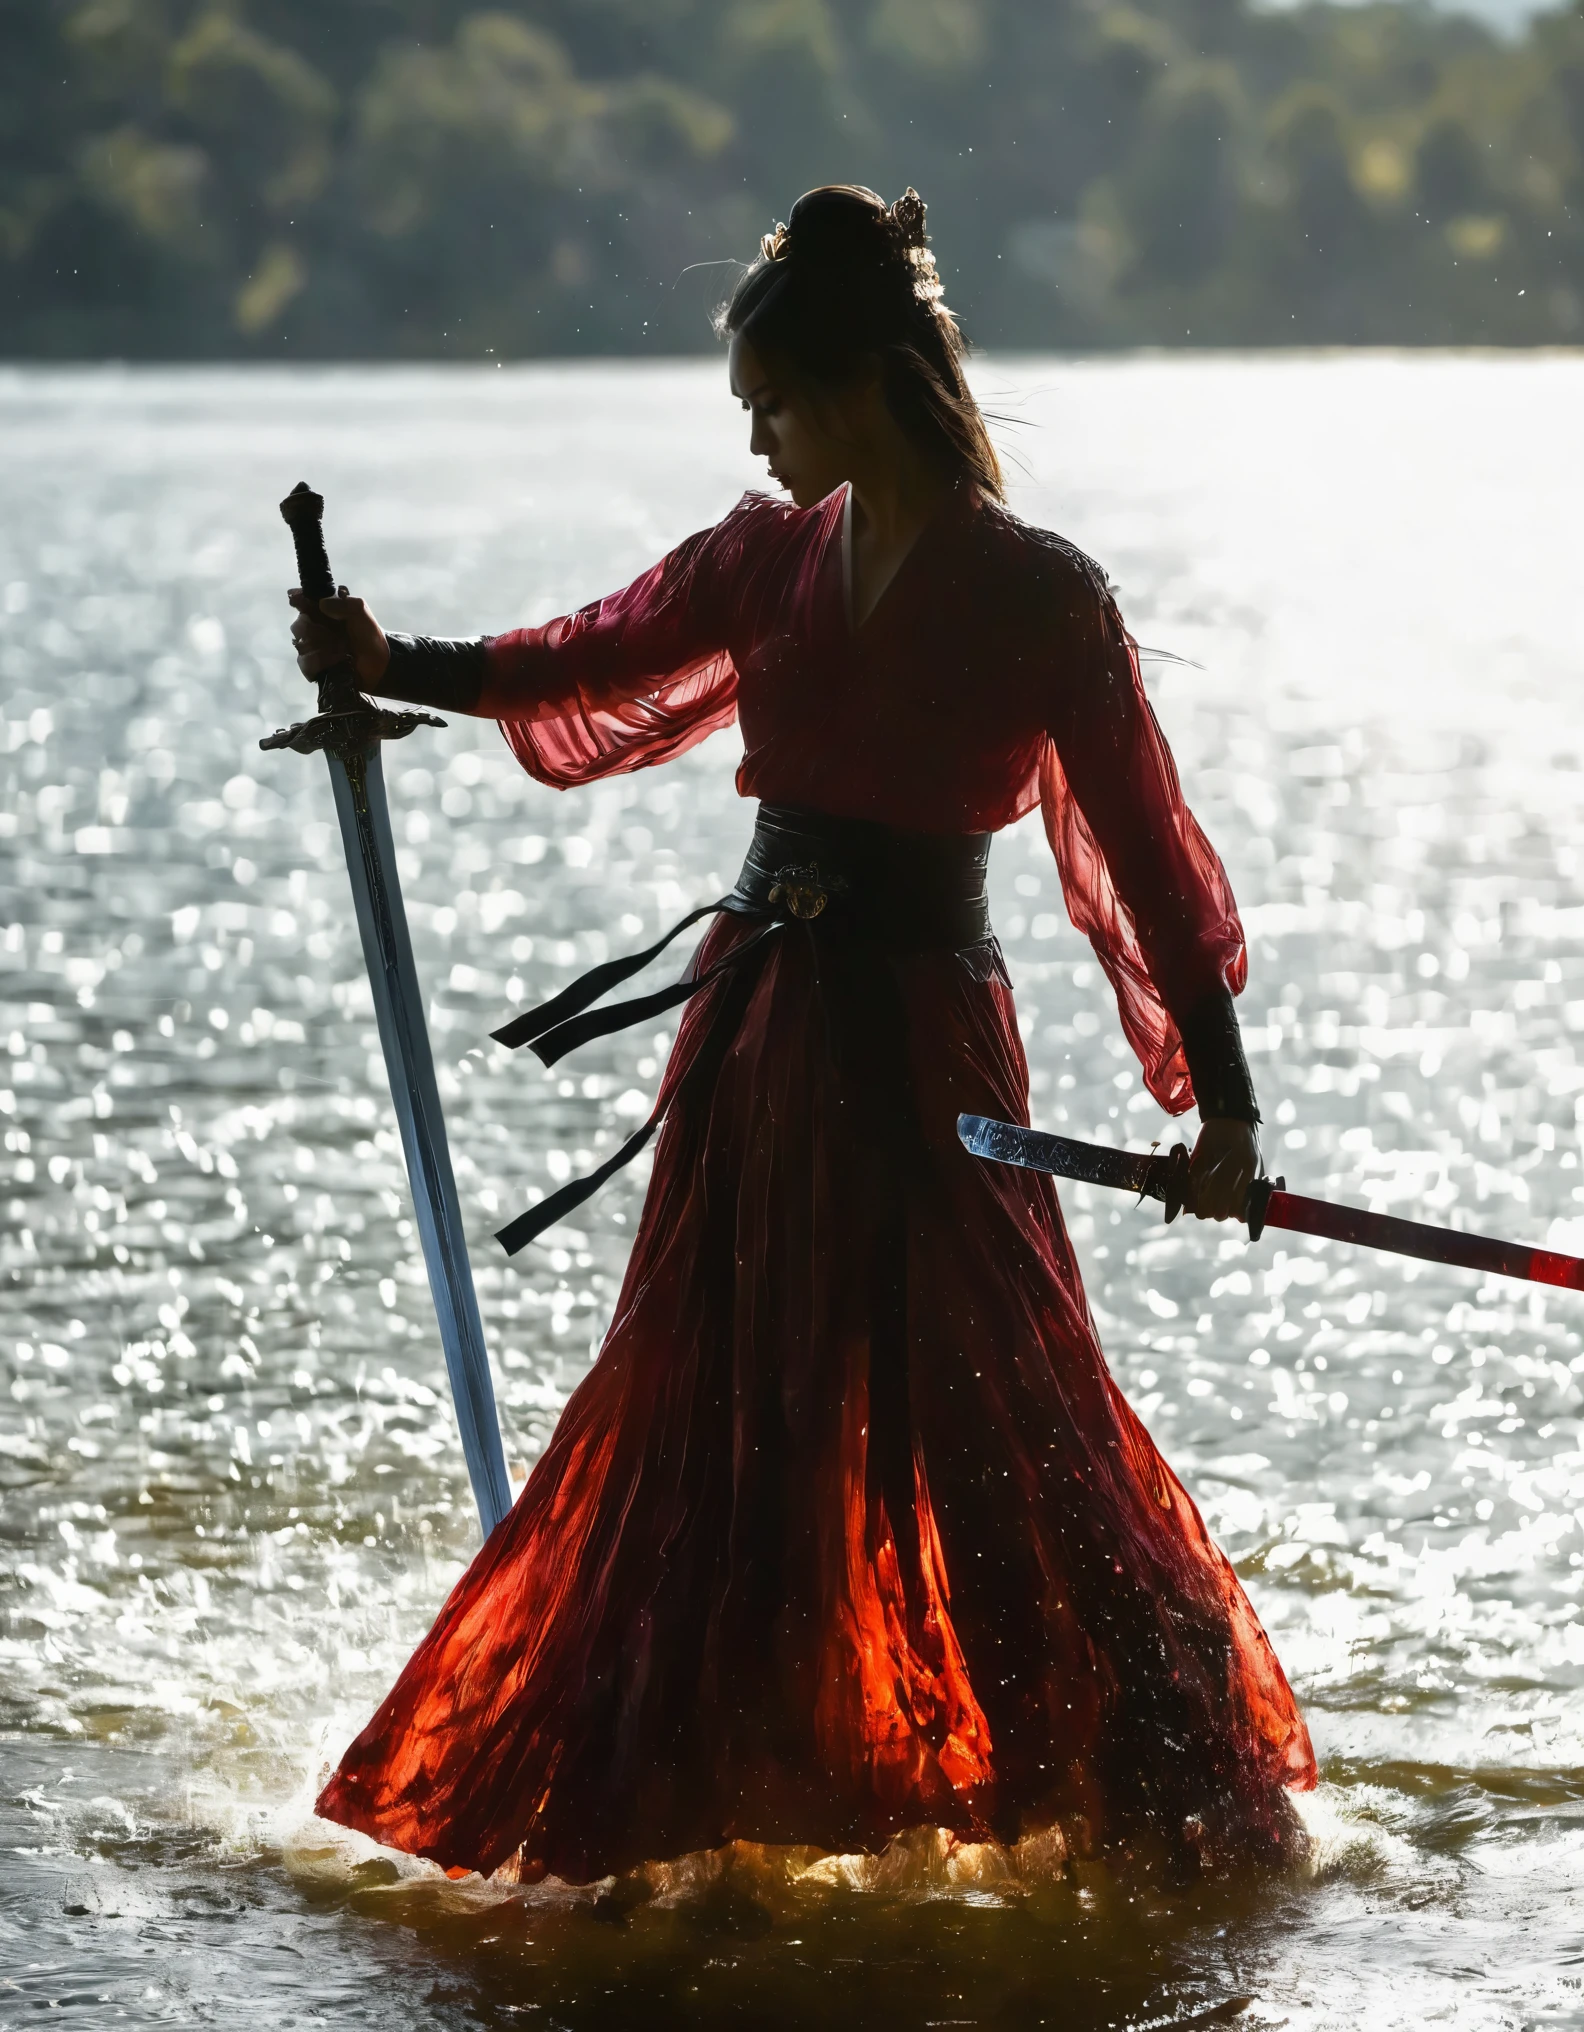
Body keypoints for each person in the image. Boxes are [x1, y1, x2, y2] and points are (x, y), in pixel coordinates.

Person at [289, 184, 1316, 1888]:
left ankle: (1161, 1794)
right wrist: (394, 657)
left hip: (933, 1069)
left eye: (771, 405)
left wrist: (1230, 1116)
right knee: (720, 1418)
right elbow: (587, 650)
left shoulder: (1043, 598)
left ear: (854, 389)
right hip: (758, 1055)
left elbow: (1149, 864)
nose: (757, 442)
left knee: (1006, 1412)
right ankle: (679, 1807)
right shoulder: (762, 562)